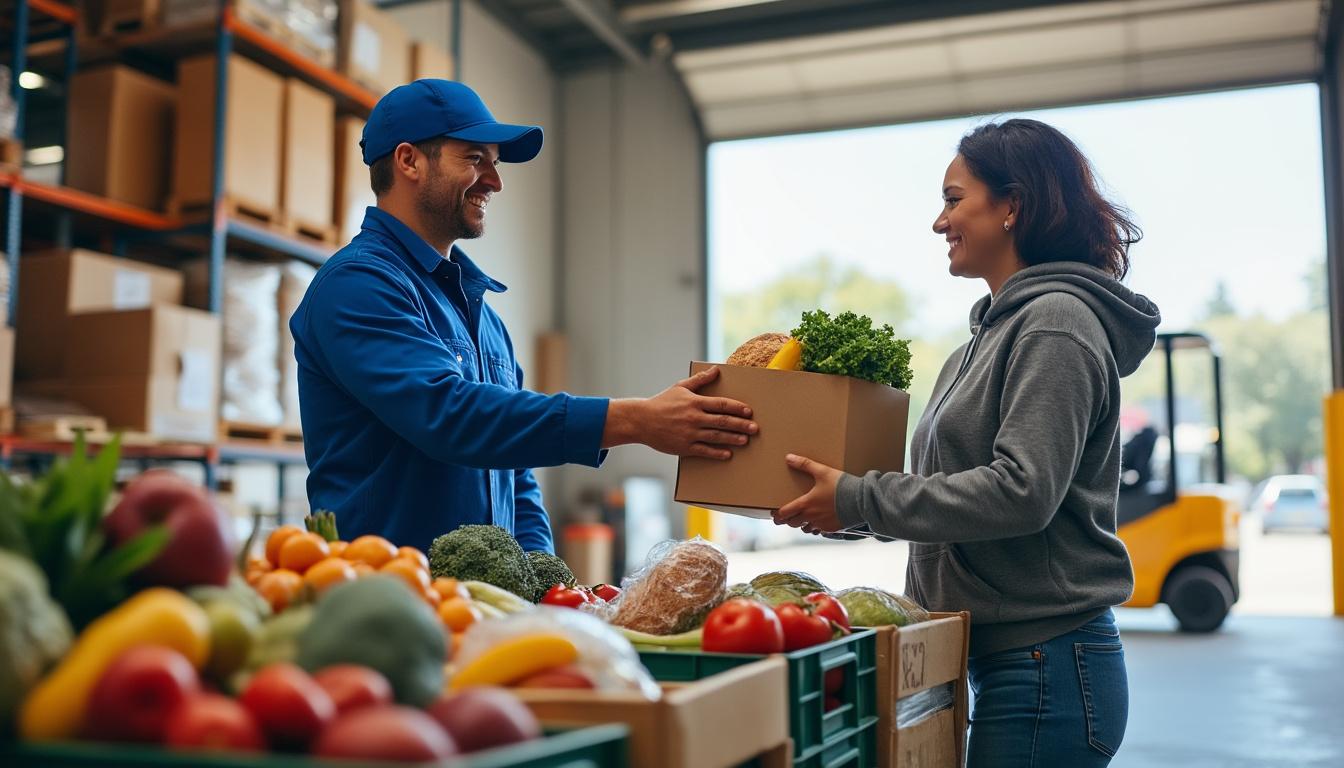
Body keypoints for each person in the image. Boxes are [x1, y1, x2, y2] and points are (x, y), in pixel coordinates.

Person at [771, 118, 1160, 766]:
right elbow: (946, 501)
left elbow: (1021, 493)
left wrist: (860, 497)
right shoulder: (973, 349)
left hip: (1048, 666)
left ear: (1013, 206)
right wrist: (835, 504)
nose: (939, 222)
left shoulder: (1055, 325)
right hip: (993, 658)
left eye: (954, 200)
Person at [290, 79, 757, 554]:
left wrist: (541, 578)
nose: (495, 181)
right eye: (476, 159)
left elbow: (515, 477)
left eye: (494, 163)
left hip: (481, 597)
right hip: (384, 591)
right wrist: (635, 420)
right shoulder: (358, 285)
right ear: (409, 160)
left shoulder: (484, 317)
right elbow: (448, 415)